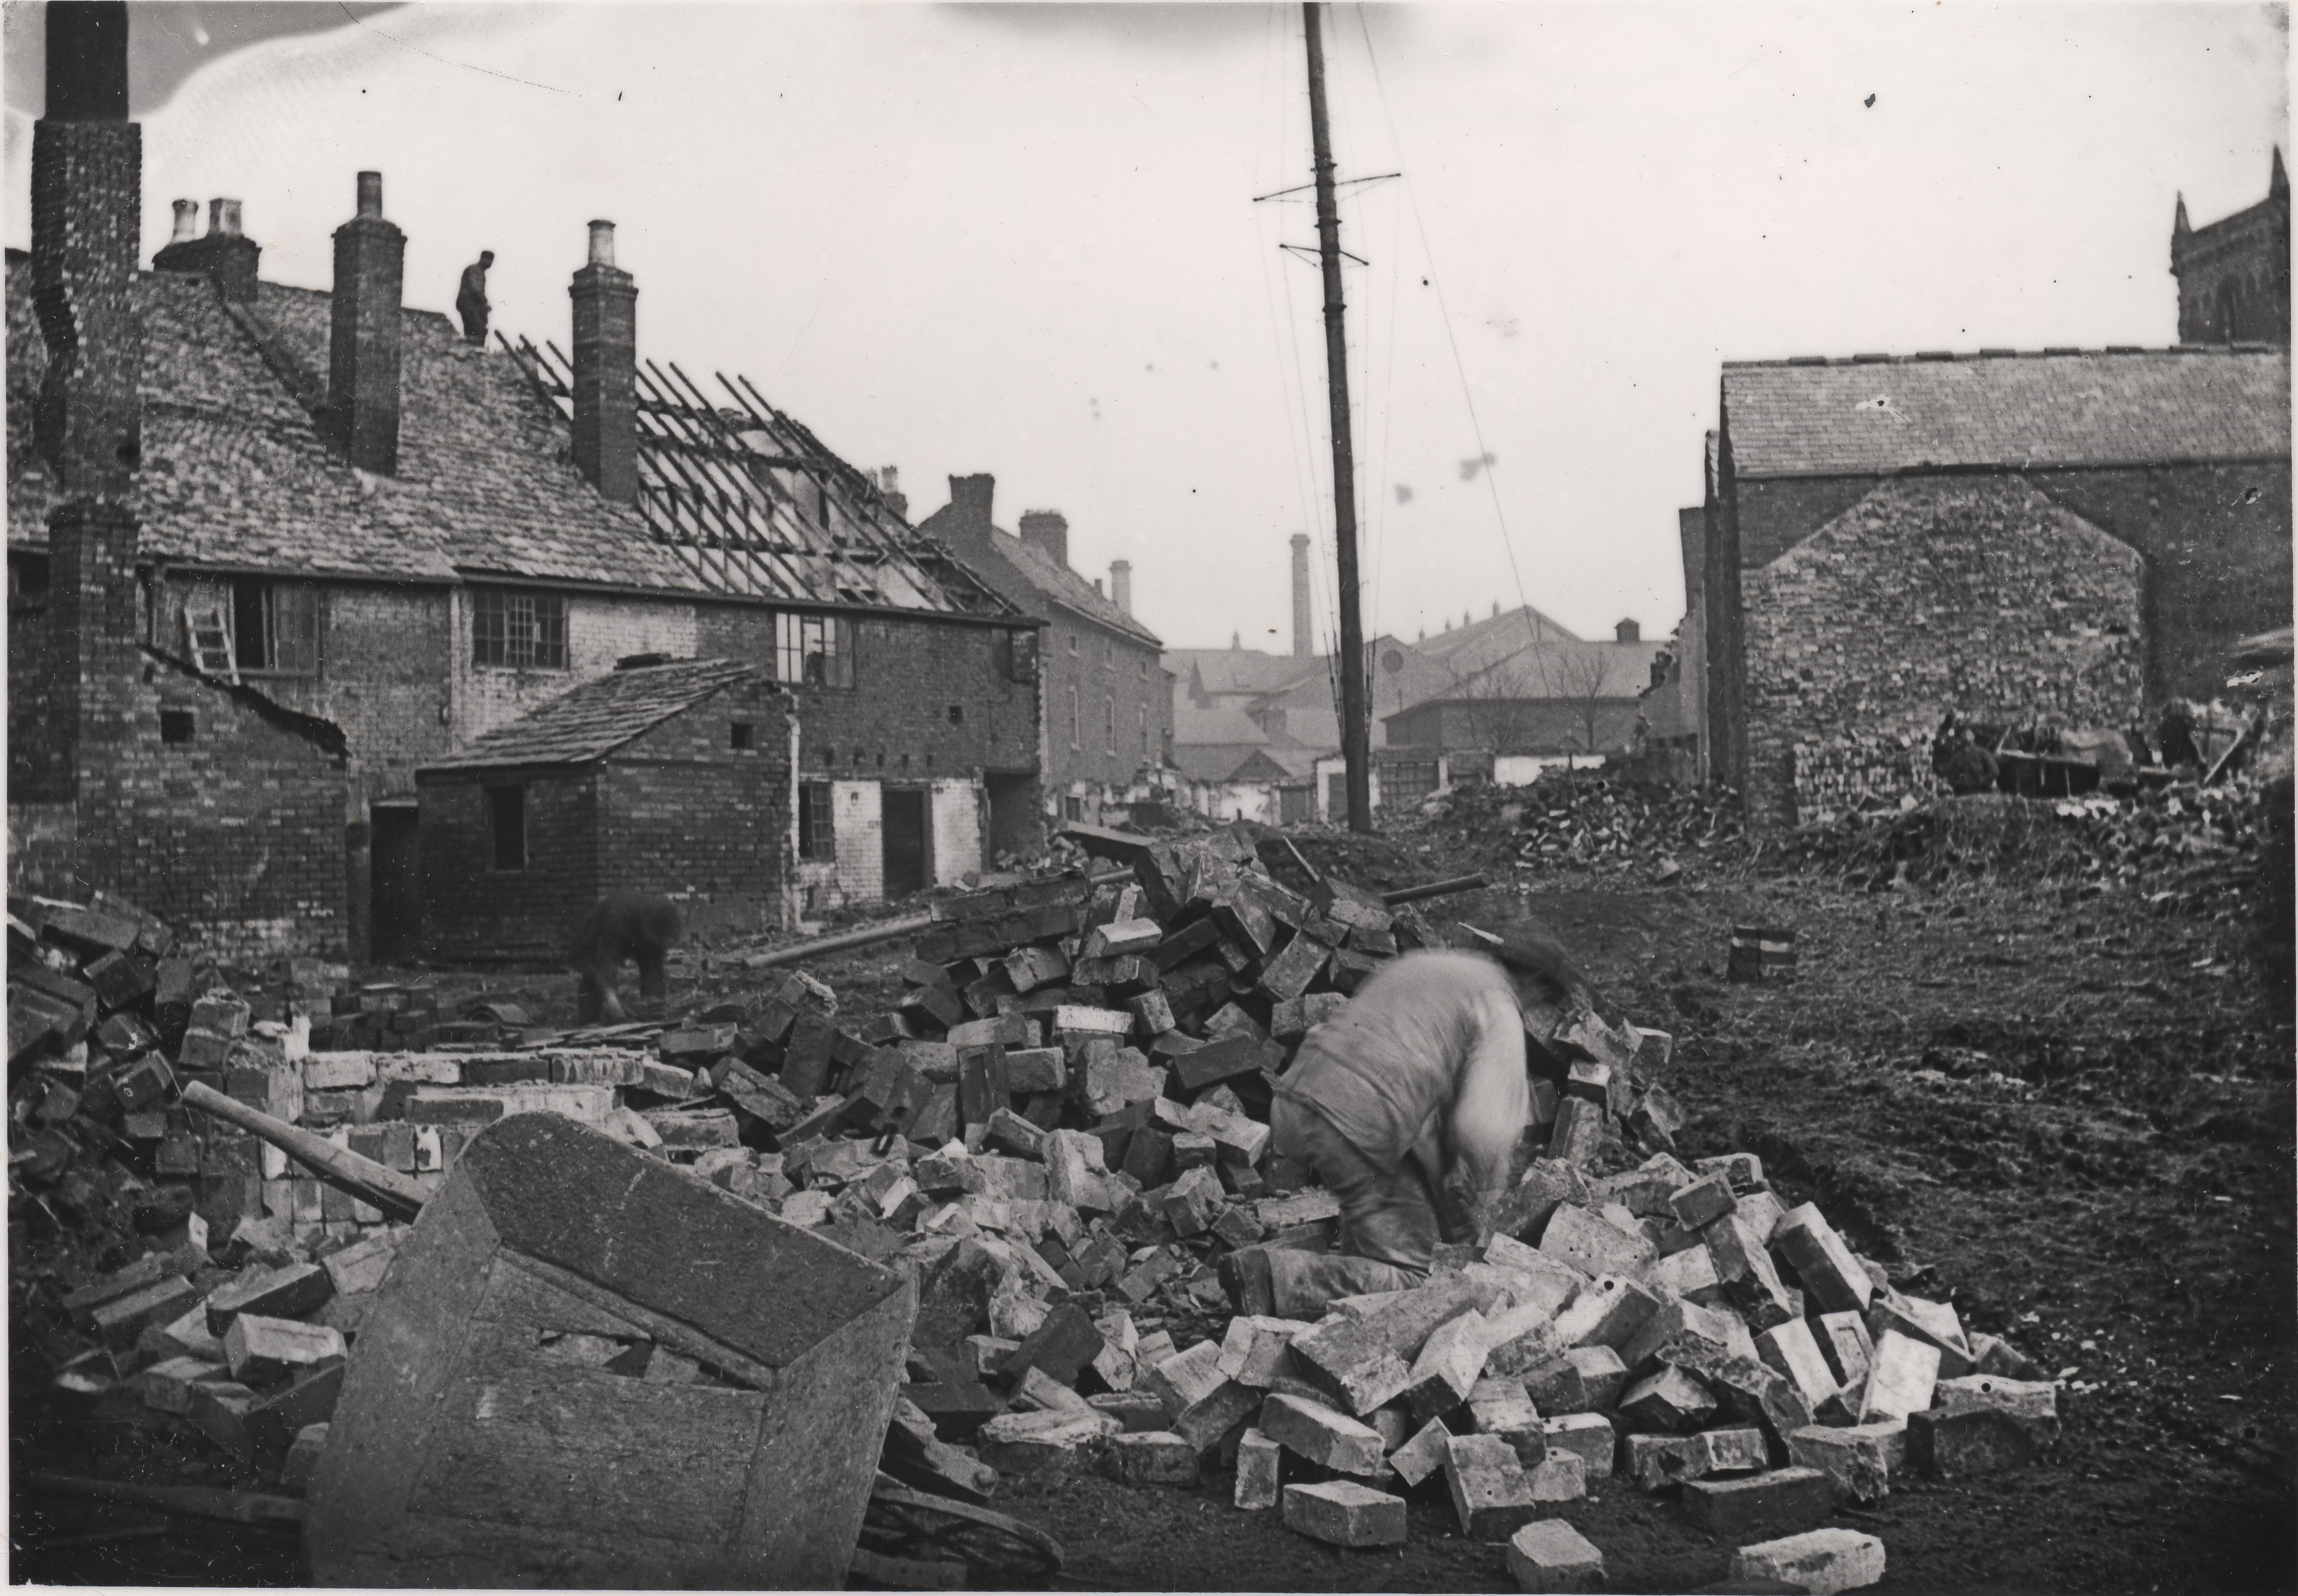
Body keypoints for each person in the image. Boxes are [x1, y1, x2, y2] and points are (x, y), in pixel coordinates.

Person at [1223, 930, 1590, 1319]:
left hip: (1296, 1101)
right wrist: (1489, 1202)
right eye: (1545, 1000)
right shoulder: (1497, 1005)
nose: (1536, 1009)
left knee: (1384, 1217)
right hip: (1360, 1122)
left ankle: (1340, 1318)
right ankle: (1274, 1279)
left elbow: (1408, 1076)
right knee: (1418, 1277)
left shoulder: (1426, 964)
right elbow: (1483, 1129)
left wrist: (1444, 1189)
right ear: (1534, 982)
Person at [569, 893, 681, 1023]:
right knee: (593, 977)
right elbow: (607, 959)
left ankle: (651, 1016)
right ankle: (590, 1022)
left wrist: (653, 1003)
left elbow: (654, 965)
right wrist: (611, 998)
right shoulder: (619, 916)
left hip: (637, 931)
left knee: (652, 967)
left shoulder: (660, 920)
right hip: (597, 937)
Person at [456, 251, 495, 344]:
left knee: (480, 327)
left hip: (474, 305)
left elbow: (479, 292)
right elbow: (475, 290)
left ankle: (475, 350)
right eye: (488, 260)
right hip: (467, 303)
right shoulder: (474, 270)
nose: (490, 263)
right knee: (477, 327)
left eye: (491, 261)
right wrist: (485, 302)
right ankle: (473, 349)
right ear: (482, 259)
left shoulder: (482, 274)